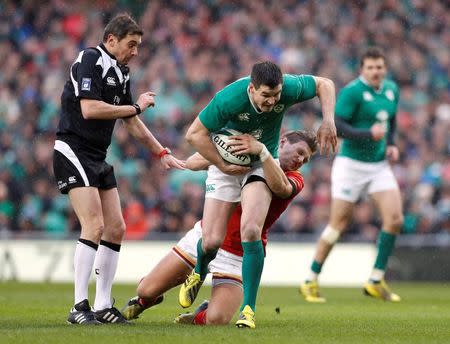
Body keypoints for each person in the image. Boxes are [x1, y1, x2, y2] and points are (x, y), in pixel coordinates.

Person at [179, 61, 337, 328]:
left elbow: (325, 83)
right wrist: (221, 163)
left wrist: (328, 120)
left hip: (263, 161)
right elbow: (193, 135)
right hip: (227, 161)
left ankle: (248, 311)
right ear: (252, 89)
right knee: (211, 241)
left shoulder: (288, 88)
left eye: (276, 95)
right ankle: (198, 272)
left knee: (251, 229)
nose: (272, 101)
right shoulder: (229, 99)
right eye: (266, 95)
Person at [52, 13, 185, 325]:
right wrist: (136, 106)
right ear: (111, 39)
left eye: (138, 45)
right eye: (131, 44)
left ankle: (101, 306)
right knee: (94, 225)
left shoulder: (122, 73)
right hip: (73, 150)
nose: (135, 51)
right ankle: (78, 307)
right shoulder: (90, 59)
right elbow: (90, 107)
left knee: (116, 228)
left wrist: (161, 151)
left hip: (97, 155)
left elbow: (132, 122)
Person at [121, 131, 317, 327]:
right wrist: (218, 157)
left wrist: (263, 153)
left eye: (305, 159)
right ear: (282, 141)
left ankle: (201, 313)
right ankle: (146, 300)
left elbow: (281, 187)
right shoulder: (246, 152)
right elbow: (196, 161)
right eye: (299, 152)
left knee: (217, 320)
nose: (300, 160)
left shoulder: (294, 178)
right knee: (145, 289)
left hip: (237, 253)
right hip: (206, 235)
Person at [300, 47, 404, 303]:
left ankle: (376, 279)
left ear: (385, 68)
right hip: (351, 165)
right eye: (370, 67)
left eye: (379, 67)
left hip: (378, 165)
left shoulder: (391, 89)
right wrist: (369, 134)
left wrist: (390, 142)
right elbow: (338, 127)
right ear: (362, 70)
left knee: (395, 219)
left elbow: (390, 121)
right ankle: (310, 279)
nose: (375, 71)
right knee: (338, 225)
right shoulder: (352, 92)